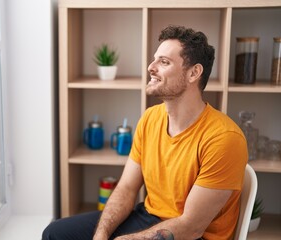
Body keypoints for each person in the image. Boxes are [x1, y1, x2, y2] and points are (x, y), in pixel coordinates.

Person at [42, 25, 248, 240]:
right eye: (154, 59)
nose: (151, 67)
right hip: (149, 216)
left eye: (164, 62)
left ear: (194, 73)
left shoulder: (224, 139)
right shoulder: (150, 118)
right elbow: (127, 188)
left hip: (193, 236)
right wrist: (101, 235)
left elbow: (191, 227)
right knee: (54, 233)